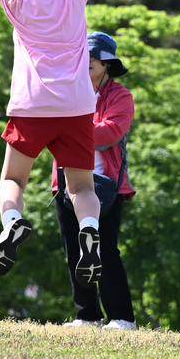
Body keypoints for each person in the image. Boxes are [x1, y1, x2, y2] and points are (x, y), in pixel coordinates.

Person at [0, 0, 110, 286]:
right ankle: (89, 229)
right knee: (81, 188)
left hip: (31, 107)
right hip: (77, 106)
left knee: (12, 180)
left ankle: (12, 223)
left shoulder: (15, 0)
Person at [56, 32, 137, 330]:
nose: (88, 60)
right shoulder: (68, 90)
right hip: (66, 182)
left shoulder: (121, 96)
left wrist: (72, 131)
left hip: (106, 186)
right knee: (75, 251)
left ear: (108, 64)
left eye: (95, 56)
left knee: (107, 251)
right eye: (85, 55)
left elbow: (110, 133)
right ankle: (87, 316)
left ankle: (122, 317)